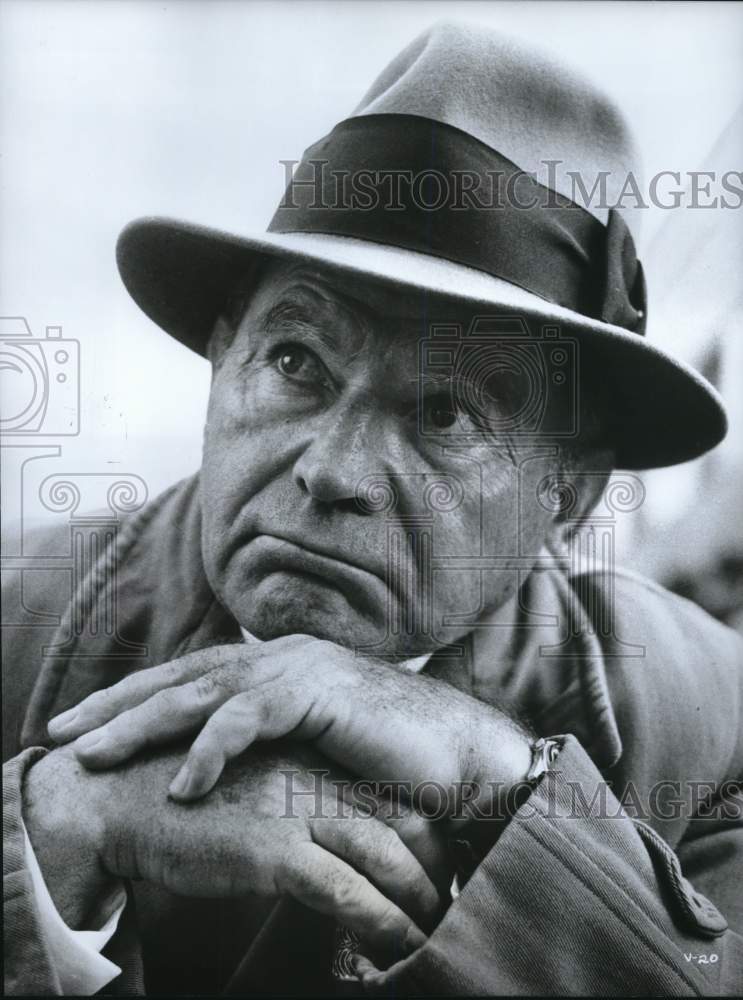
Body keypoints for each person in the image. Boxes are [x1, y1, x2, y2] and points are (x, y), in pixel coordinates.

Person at [3, 20, 742, 997]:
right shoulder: (18, 620)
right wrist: (45, 846)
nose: (333, 471)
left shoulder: (700, 727)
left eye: (442, 411)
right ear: (222, 360)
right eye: (295, 360)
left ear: (567, 496)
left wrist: (504, 784)